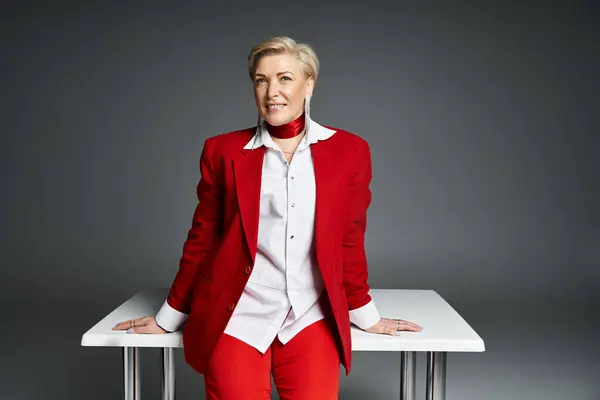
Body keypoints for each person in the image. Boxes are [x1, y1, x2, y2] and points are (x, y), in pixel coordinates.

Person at [113, 36, 422, 399]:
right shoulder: (223, 151)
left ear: (309, 84)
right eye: (261, 80)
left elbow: (349, 242)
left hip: (310, 315)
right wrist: (170, 317)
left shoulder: (349, 151)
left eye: (285, 78)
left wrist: (366, 315)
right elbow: (202, 240)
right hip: (237, 314)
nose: (272, 90)